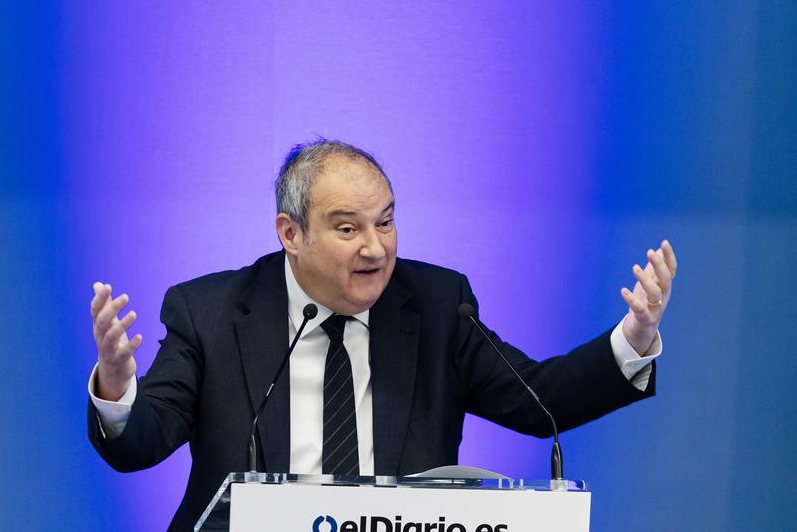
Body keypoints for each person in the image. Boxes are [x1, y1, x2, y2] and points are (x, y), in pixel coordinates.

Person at [88, 139, 677, 530]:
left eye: (387, 222)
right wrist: (116, 388)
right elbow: (143, 441)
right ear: (290, 234)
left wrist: (633, 338)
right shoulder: (210, 311)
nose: (376, 248)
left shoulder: (437, 306)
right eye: (348, 229)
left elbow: (539, 400)